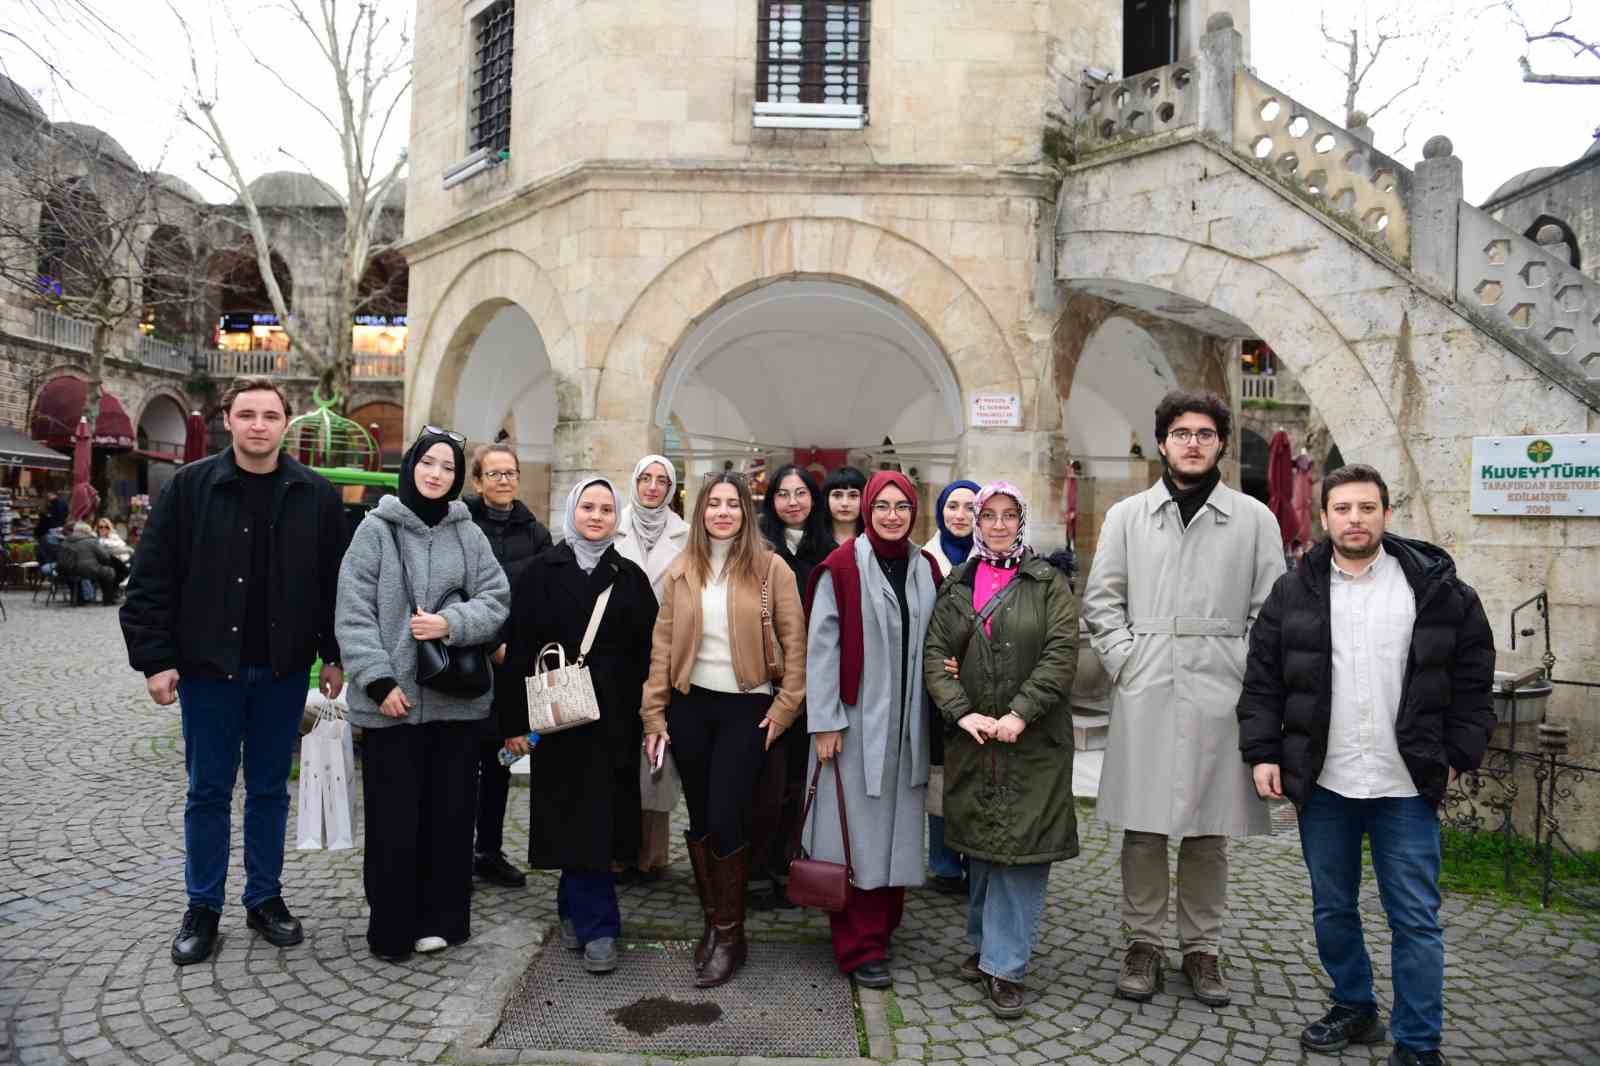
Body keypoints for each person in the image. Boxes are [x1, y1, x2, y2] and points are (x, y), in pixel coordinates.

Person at [1237, 464, 1495, 1066]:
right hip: (1324, 781)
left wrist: (1458, 754)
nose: (1356, 519)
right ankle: (1354, 1005)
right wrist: (1263, 752)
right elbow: (1264, 680)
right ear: (1323, 517)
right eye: (1344, 509)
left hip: (1405, 784)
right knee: (1332, 906)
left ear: (1384, 513)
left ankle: (1417, 1042)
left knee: (1414, 917)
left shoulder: (1435, 589)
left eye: (1367, 508)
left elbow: (1473, 677)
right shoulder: (1293, 590)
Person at [120, 377, 348, 966]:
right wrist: (156, 661)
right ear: (227, 420)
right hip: (206, 670)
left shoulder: (316, 495)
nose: (258, 425)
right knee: (208, 791)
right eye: (246, 414)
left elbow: (333, 588)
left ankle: (264, 897)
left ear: (285, 424)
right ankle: (202, 907)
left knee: (271, 789)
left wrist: (335, 655)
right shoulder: (190, 489)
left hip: (282, 671)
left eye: (270, 415)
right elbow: (150, 581)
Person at [1082, 388, 1285, 1006]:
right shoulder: (1126, 516)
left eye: (1203, 433)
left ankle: (1202, 949)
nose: (1191, 443)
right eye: (1180, 433)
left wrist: (1243, 669)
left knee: (1208, 829)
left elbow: (1272, 612)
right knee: (1143, 827)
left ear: (1220, 442)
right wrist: (1128, 661)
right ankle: (1142, 943)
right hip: (1149, 682)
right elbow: (1101, 600)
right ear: (1164, 442)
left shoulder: (1255, 519)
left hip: (1221, 688)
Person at [336, 428, 511, 962]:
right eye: (428, 463)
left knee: (452, 816)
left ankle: (444, 918)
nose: (436, 474)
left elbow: (497, 600)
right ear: (411, 465)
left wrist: (449, 624)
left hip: (456, 704)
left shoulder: (470, 534)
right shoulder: (375, 531)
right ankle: (393, 926)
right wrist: (380, 681)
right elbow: (353, 613)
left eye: (448, 468)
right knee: (393, 823)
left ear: (459, 478)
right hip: (394, 705)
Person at [641, 472, 807, 986]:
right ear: (701, 512)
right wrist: (654, 713)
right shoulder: (682, 570)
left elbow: (794, 643)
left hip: (745, 708)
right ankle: (715, 925)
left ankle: (730, 934)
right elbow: (663, 647)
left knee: (727, 813)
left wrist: (785, 709)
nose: (722, 512)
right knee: (700, 821)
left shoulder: (770, 567)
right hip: (691, 708)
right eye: (713, 504)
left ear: (745, 511)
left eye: (731, 504)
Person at [923, 481, 1079, 1018]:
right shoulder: (958, 585)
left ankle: (1005, 964)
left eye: (1007, 515)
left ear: (1021, 521)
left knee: (1023, 853)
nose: (995, 524)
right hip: (974, 738)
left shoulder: (1048, 582)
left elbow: (1062, 652)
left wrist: (1020, 713)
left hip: (1032, 741)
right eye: (986, 514)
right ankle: (985, 944)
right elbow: (936, 655)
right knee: (983, 851)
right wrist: (961, 711)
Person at [504, 479, 658, 975]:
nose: (596, 515)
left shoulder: (630, 577)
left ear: (617, 516)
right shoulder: (538, 573)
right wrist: (512, 723)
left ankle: (590, 920)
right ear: (572, 511)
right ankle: (593, 921)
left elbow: (648, 653)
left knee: (599, 817)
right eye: (587, 506)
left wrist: (646, 712)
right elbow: (518, 651)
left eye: (606, 508)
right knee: (571, 813)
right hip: (558, 717)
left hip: (612, 717)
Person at [803, 470, 941, 989]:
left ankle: (882, 926)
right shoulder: (839, 567)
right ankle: (858, 945)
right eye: (881, 505)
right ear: (866, 509)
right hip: (855, 721)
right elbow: (822, 649)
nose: (891, 515)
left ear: (912, 511)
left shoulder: (924, 566)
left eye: (901, 506)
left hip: (909, 722)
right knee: (855, 834)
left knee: (899, 829)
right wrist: (825, 722)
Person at [464, 443, 552, 888]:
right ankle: (453, 854)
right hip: (464, 662)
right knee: (459, 766)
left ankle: (489, 850)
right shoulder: (458, 524)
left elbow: (542, 595)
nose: (503, 481)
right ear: (477, 481)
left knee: (499, 762)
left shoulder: (535, 533)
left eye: (510, 473)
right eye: (493, 474)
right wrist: (491, 641)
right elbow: (454, 592)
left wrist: (514, 646)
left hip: (511, 667)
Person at [749, 463, 831, 907]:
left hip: (816, 684)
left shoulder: (831, 552)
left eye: (801, 493)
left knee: (799, 784)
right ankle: (756, 869)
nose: (793, 502)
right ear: (772, 501)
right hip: (768, 683)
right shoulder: (758, 552)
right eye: (784, 493)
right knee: (764, 782)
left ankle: (788, 866)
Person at [614, 454, 691, 882]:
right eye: (645, 478)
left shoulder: (683, 536)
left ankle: (651, 854)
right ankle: (616, 849)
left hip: (664, 656)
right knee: (619, 754)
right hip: (617, 656)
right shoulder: (614, 525)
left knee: (655, 756)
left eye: (662, 480)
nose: (653, 487)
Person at [920, 479, 980, 895]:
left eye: (971, 507)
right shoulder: (923, 559)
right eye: (953, 506)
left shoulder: (995, 557)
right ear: (940, 510)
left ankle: (977, 858)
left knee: (977, 773)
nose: (960, 515)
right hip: (935, 683)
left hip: (983, 682)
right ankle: (943, 863)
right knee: (940, 773)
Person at [59, 520, 124, 604]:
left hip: (66, 570)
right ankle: (108, 600)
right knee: (109, 572)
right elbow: (105, 557)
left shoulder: (66, 541)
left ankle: (78, 599)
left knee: (82, 572)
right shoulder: (91, 541)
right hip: (88, 570)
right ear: (87, 531)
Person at [821, 465, 867, 547]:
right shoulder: (813, 541)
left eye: (853, 495)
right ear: (826, 498)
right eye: (837, 495)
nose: (845, 503)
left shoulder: (873, 542)